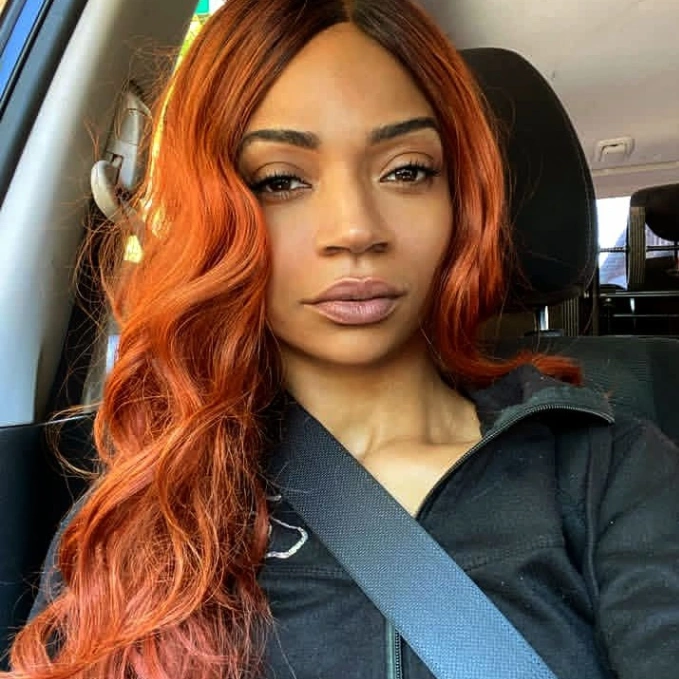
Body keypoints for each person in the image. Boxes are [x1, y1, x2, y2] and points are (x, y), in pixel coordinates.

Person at [6, 0, 679, 677]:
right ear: (212, 215)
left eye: (407, 170)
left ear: (461, 196)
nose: (355, 229)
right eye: (280, 181)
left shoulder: (609, 469)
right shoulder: (152, 503)